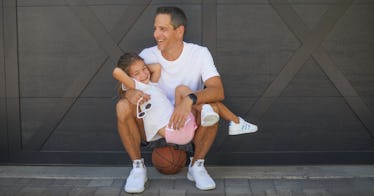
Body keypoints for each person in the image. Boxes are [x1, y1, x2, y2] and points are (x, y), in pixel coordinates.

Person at [115, 6, 256, 193]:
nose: (156, 34)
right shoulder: (147, 55)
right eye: (155, 28)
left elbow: (217, 90)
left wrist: (189, 100)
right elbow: (130, 83)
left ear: (179, 31)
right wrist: (128, 94)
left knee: (211, 108)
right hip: (154, 126)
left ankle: (197, 166)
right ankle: (138, 168)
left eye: (163, 29)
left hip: (187, 124)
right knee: (122, 106)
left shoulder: (199, 53)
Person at [113, 53, 257, 145]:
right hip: (176, 130)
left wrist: (139, 66)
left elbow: (156, 67)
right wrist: (132, 77)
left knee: (181, 90)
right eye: (137, 73)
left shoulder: (150, 84)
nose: (144, 74)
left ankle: (233, 121)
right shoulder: (136, 86)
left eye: (144, 68)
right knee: (199, 99)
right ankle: (232, 120)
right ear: (129, 78)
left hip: (179, 124)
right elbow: (117, 72)